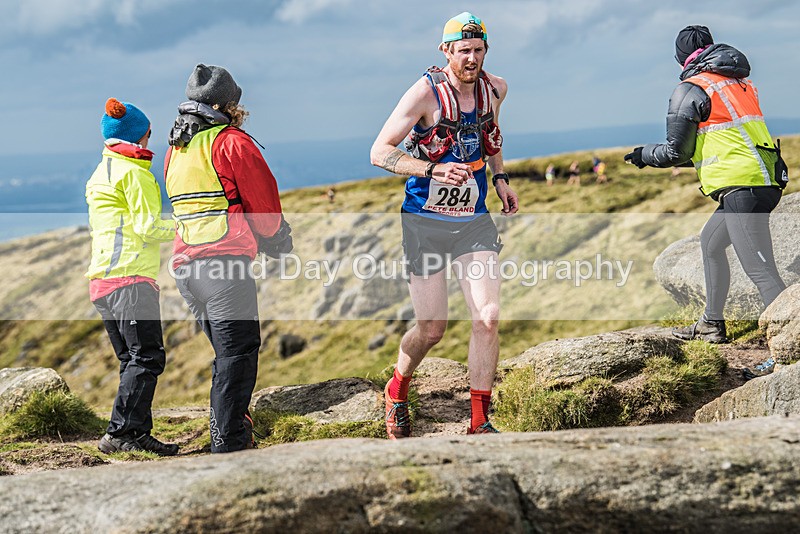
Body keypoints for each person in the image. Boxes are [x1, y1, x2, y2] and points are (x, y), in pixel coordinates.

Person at [370, 12, 518, 438]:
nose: (471, 58)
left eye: (478, 49)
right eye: (463, 50)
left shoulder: (496, 90)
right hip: (425, 223)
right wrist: (431, 171)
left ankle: (479, 422)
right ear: (446, 51)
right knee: (433, 329)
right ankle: (398, 386)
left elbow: (491, 136)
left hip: (472, 219)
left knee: (487, 316)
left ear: (486, 50)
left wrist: (501, 179)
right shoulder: (425, 94)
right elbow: (379, 152)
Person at [625, 26, 786, 378]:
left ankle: (788, 351)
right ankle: (712, 323)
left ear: (681, 57)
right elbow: (716, 144)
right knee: (710, 243)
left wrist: (644, 155)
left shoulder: (691, 89)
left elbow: (675, 151)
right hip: (758, 180)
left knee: (760, 270)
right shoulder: (738, 83)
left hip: (743, 186)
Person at [165, 64, 291, 452]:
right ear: (223, 104)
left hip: (187, 271)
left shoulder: (176, 149)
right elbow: (265, 207)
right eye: (235, 102)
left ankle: (231, 430)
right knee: (238, 354)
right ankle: (229, 443)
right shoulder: (231, 142)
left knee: (226, 355)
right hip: (222, 268)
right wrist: (278, 240)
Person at [87, 98, 179, 456]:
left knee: (131, 360)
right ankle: (121, 432)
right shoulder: (135, 172)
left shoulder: (102, 172)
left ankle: (136, 432)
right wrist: (187, 225)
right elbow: (148, 227)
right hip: (131, 278)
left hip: (101, 280)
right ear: (140, 135)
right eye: (149, 134)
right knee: (148, 357)